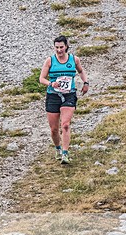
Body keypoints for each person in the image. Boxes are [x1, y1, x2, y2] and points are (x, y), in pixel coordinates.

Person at [39, 35, 89, 165]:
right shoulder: (50, 61)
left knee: (65, 124)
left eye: (61, 47)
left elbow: (81, 71)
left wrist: (85, 83)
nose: (59, 50)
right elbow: (41, 78)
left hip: (69, 95)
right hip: (53, 96)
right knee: (54, 129)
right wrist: (51, 83)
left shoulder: (74, 59)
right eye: (57, 47)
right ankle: (58, 148)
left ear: (66, 46)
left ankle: (65, 154)